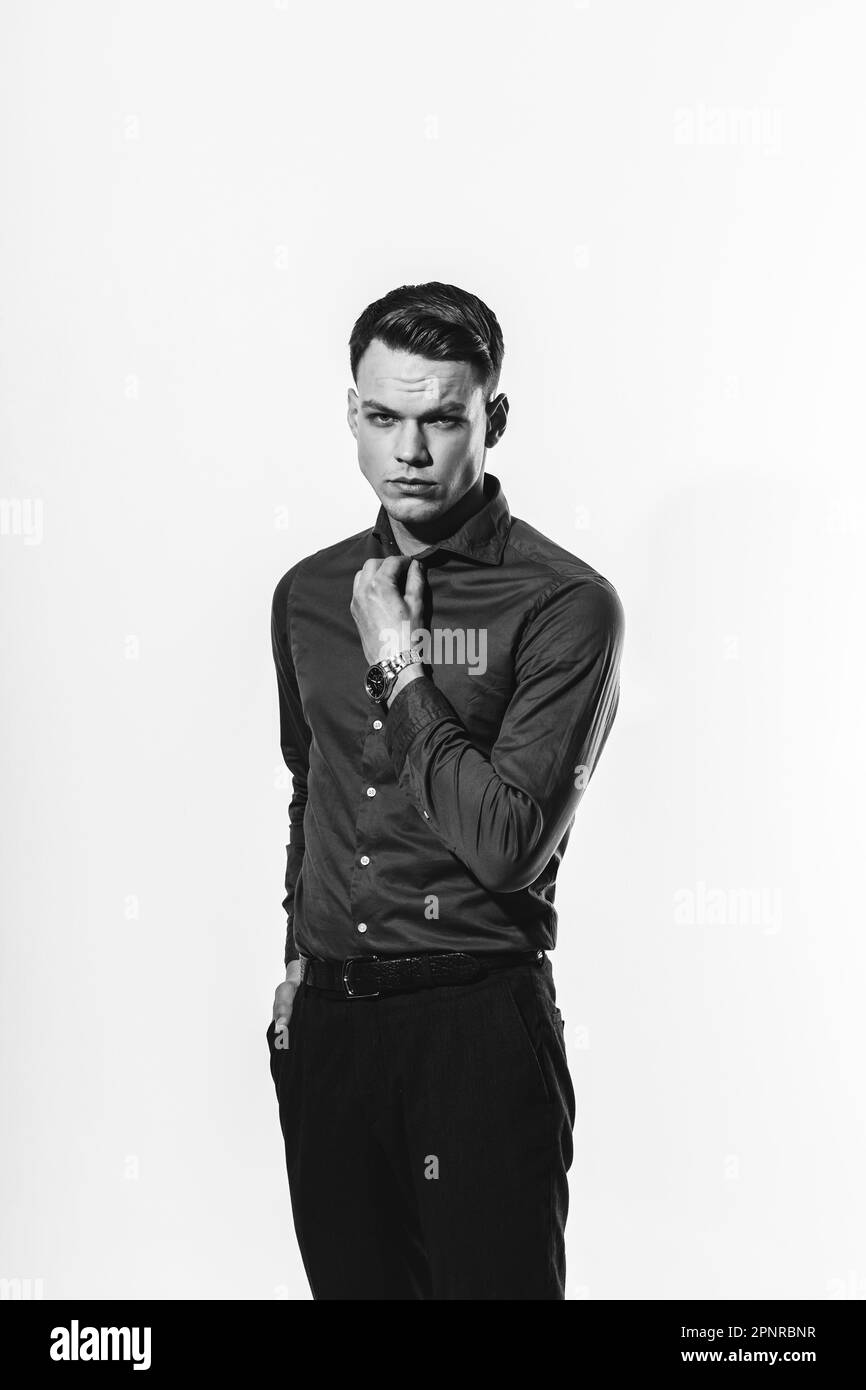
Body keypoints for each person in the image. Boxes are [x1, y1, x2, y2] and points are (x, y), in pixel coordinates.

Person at [267, 281, 624, 1300]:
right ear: (351, 415)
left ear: (492, 420)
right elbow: (310, 785)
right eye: (381, 418)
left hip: (476, 1028)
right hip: (331, 1031)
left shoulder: (561, 603)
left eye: (440, 419)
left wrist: (399, 669)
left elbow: (509, 841)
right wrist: (294, 962)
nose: (408, 452)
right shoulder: (305, 593)